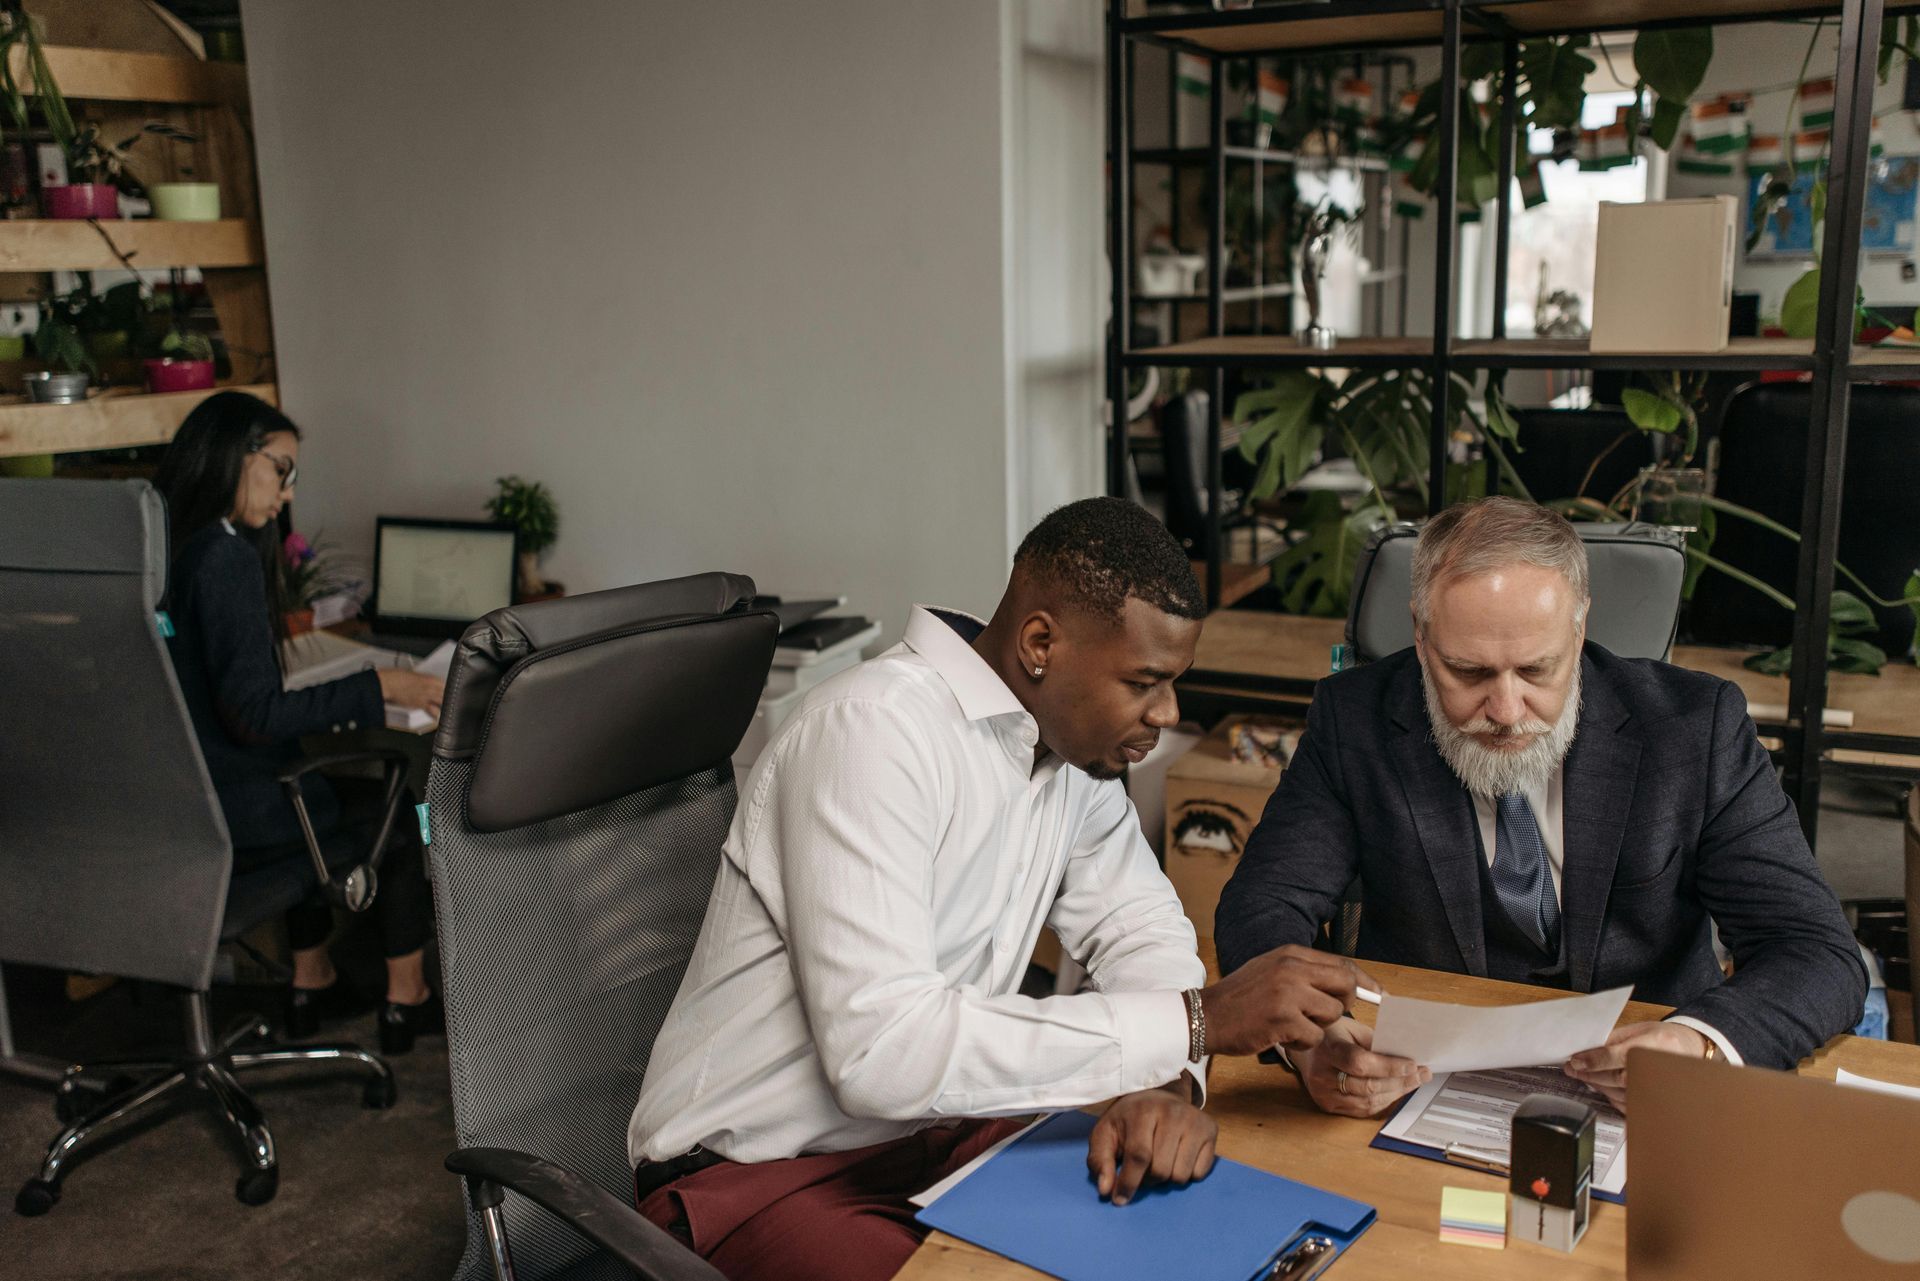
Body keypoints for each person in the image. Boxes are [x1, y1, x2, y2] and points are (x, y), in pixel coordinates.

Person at [627, 497, 1380, 1281]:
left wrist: (1167, 1085)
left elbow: (1139, 930)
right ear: (1041, 642)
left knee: (1211, 1243)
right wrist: (1197, 1021)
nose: (1167, 712)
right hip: (755, 1175)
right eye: (1145, 681)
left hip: (938, 1138)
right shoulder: (869, 733)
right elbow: (882, 1053)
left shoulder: (1072, 756)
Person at [1216, 497, 1866, 1115]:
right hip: (1415, 1089)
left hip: (1646, 1102)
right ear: (1420, 637)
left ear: (1580, 628)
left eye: (1537, 670)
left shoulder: (1696, 729)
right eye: (1468, 672)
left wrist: (1695, 1042)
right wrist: (1310, 1040)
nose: (1505, 711)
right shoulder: (1354, 720)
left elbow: (1816, 949)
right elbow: (1261, 909)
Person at [154, 391, 447, 1054]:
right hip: (238, 808)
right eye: (280, 469)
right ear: (235, 455)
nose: (287, 493)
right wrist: (378, 685)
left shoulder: (170, 545)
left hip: (185, 804)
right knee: (399, 814)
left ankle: (311, 982)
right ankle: (407, 1000)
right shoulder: (225, 557)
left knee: (309, 786)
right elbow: (257, 716)